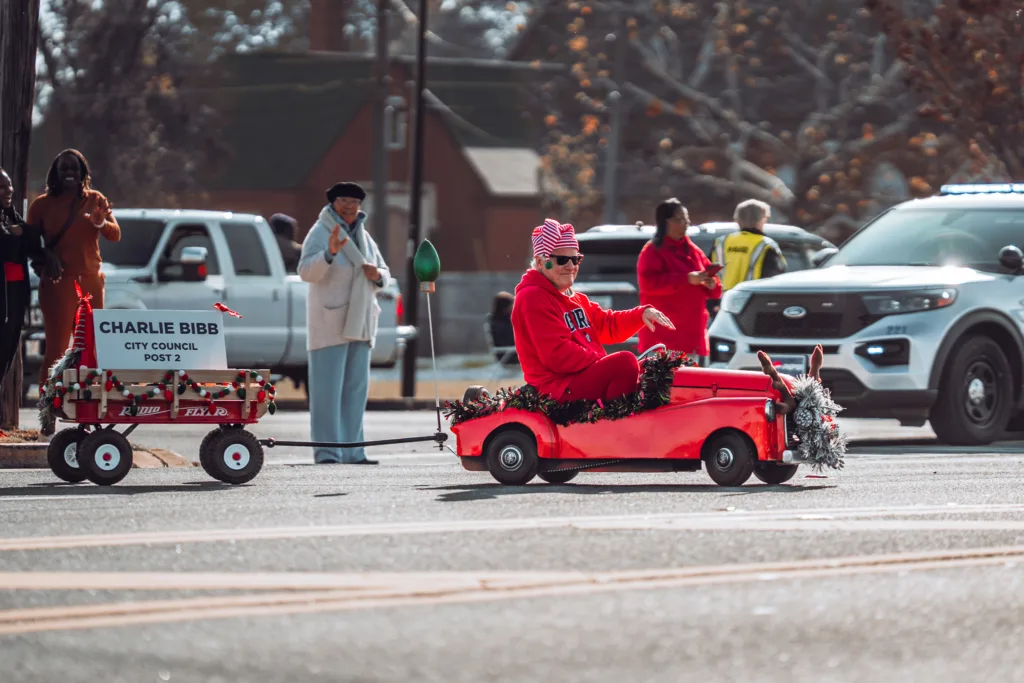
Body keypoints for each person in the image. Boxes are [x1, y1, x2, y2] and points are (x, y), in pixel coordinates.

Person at [511, 218, 675, 404]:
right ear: (541, 262)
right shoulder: (533, 297)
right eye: (562, 260)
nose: (571, 266)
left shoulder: (574, 298)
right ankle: (616, 426)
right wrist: (602, 361)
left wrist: (640, 315)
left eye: (576, 259)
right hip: (557, 389)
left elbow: (607, 324)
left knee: (653, 368)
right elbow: (558, 355)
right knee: (625, 364)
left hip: (578, 380)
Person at [298, 182, 390, 465]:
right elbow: (305, 271)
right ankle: (327, 451)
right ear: (333, 203)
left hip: (360, 321)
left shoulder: (365, 235)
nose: (349, 206)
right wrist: (330, 253)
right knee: (327, 392)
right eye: (343, 201)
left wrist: (377, 276)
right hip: (330, 322)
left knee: (355, 391)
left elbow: (384, 272)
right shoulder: (320, 231)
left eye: (354, 201)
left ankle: (353, 450)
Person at [27, 149, 120, 389]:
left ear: (82, 173)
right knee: (57, 350)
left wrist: (101, 223)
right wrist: (47, 256)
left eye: (74, 168)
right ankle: (47, 414)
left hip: (91, 282)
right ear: (55, 174)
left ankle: (86, 411)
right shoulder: (41, 205)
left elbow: (115, 234)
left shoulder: (95, 199)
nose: (69, 173)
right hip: (59, 284)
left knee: (90, 349)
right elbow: (29, 244)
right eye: (64, 168)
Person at [637, 198, 722, 363]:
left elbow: (713, 284)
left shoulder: (692, 250)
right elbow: (649, 284)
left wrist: (711, 284)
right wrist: (686, 279)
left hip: (690, 336)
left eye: (687, 219)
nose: (685, 224)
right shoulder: (652, 251)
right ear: (665, 222)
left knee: (690, 386)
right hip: (662, 337)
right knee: (662, 387)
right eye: (679, 220)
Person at [0, 169, 42, 383]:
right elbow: (8, 246)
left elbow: (30, 239)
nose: (8, 190)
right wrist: (15, 235)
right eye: (1, 187)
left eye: (8, 185)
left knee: (7, 356)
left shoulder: (10, 215)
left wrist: (18, 232)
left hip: (14, 301)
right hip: (3, 304)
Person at [713, 198, 787, 292]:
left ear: (737, 220)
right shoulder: (766, 245)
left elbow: (708, 274)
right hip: (752, 301)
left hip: (722, 302)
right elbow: (775, 279)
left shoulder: (721, 242)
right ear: (762, 219)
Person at [487, 291, 518, 365]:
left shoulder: (498, 321)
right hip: (509, 355)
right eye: (512, 304)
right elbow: (511, 341)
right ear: (506, 307)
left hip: (511, 353)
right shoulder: (501, 324)